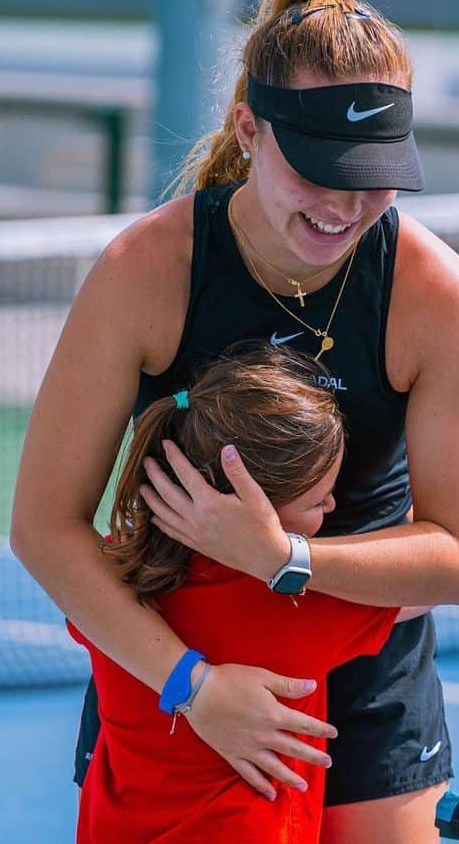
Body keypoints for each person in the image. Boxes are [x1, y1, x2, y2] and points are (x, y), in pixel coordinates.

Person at [9, 0, 459, 841]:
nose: (344, 207)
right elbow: (44, 528)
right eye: (318, 170)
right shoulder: (144, 272)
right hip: (165, 667)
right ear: (249, 130)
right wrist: (193, 686)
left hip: (360, 663)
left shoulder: (437, 296)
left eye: (375, 179)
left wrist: (287, 559)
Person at [70, 345, 430, 843]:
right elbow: (428, 586)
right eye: (316, 498)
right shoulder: (300, 607)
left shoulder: (112, 575)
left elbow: (77, 604)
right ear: (249, 505)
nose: (332, 504)